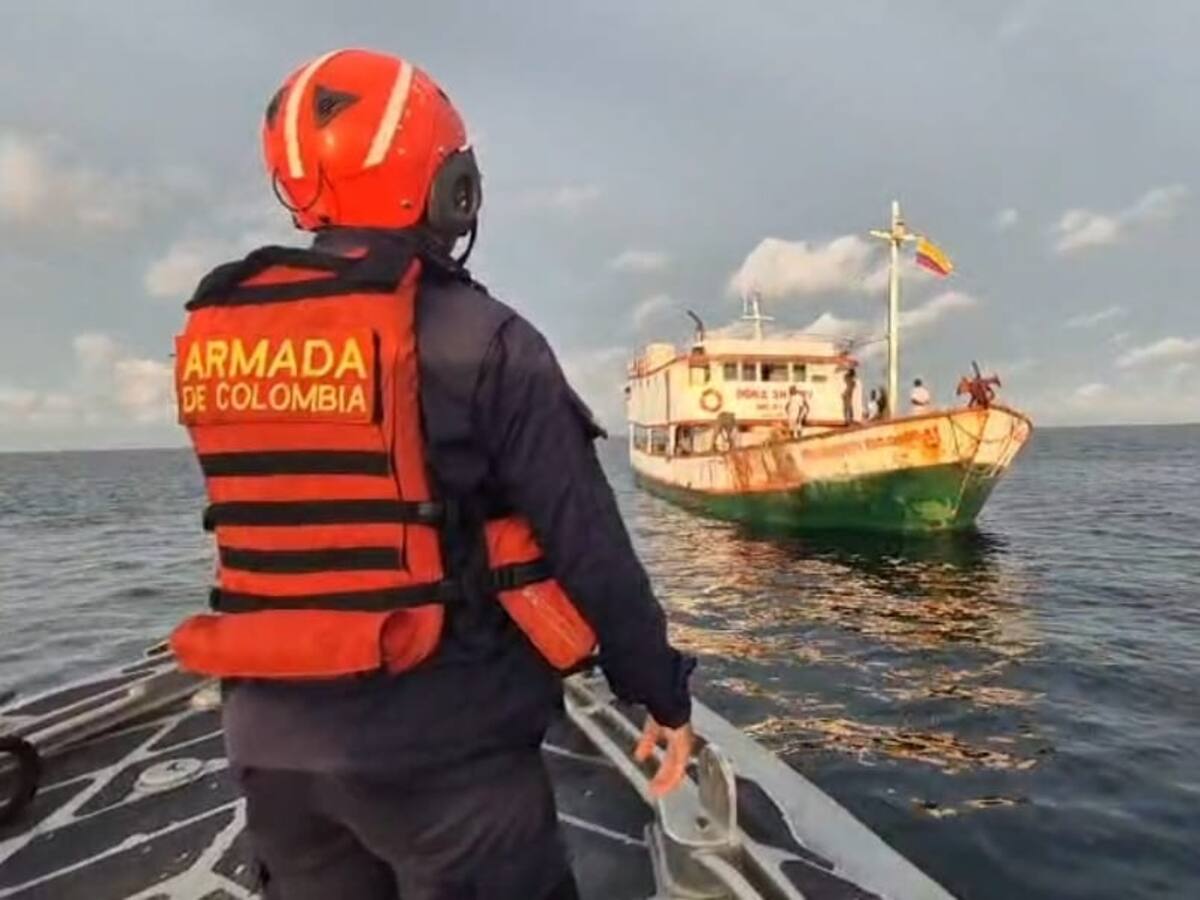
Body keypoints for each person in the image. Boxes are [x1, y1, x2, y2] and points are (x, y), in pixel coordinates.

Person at [168, 49, 694, 900]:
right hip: (446, 759)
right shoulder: (489, 342)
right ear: (450, 187)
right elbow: (588, 544)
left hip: (272, 748)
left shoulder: (219, 331)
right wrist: (662, 696)